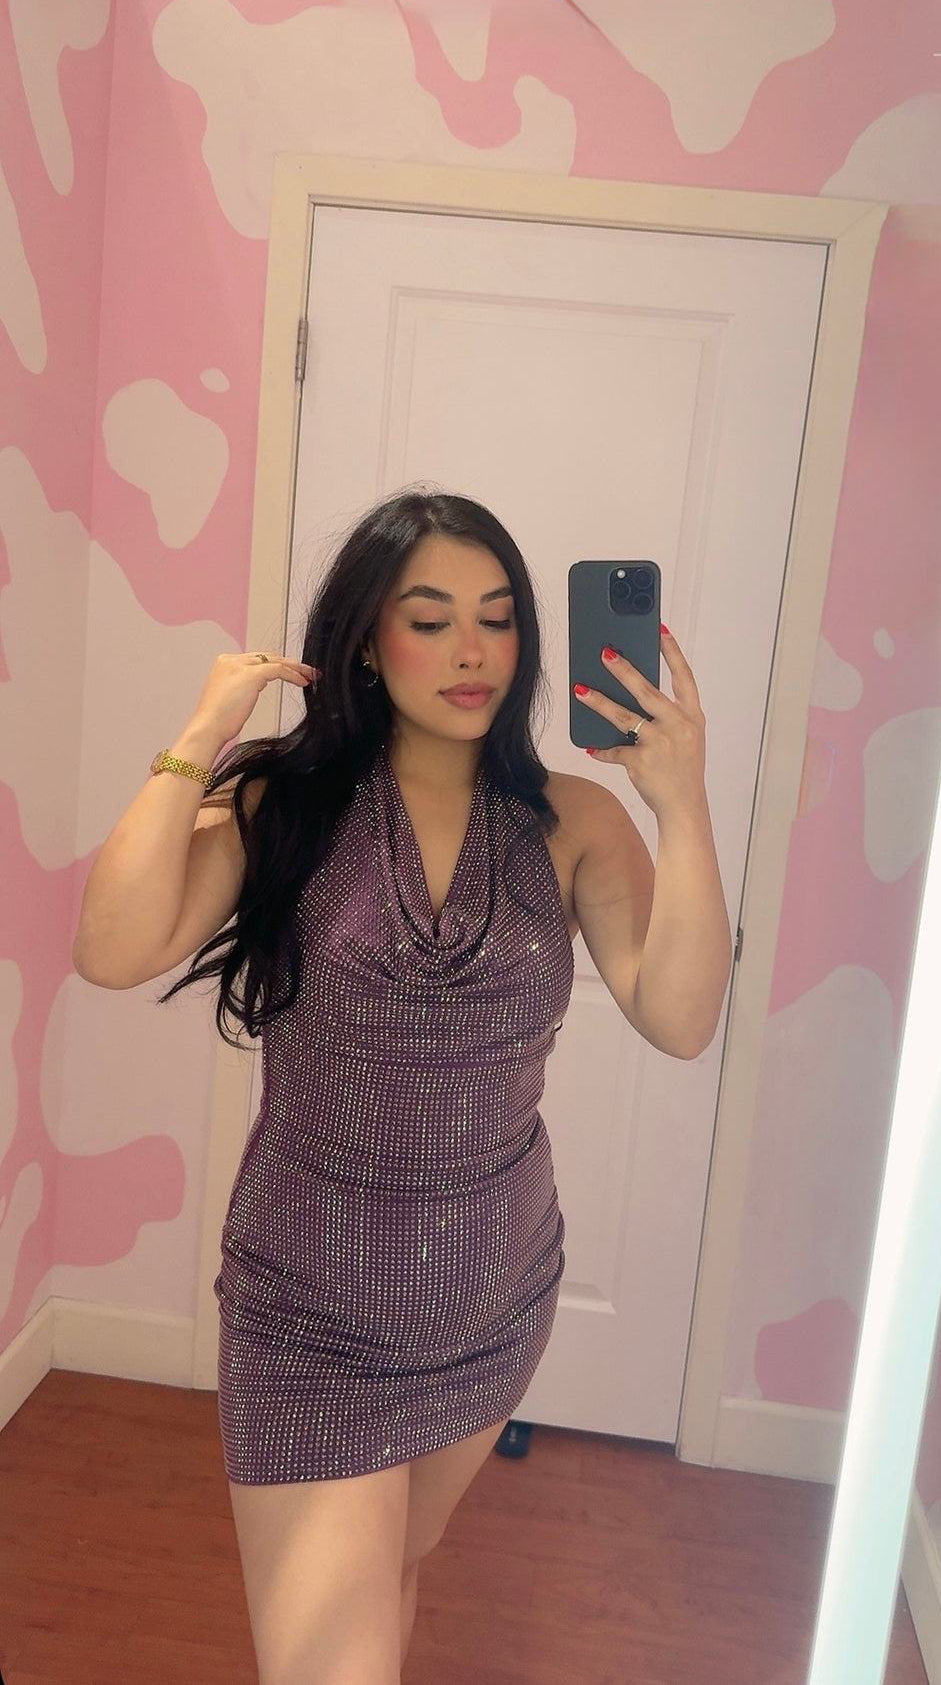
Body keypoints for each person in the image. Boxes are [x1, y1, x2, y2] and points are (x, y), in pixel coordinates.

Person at [73, 485, 732, 1685]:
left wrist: (679, 800)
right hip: (309, 1310)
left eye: (497, 617)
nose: (472, 649)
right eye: (430, 620)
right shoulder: (286, 807)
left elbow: (680, 1018)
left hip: (489, 1298)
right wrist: (201, 735)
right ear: (369, 642)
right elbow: (112, 949)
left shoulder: (574, 821)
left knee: (390, 1574)